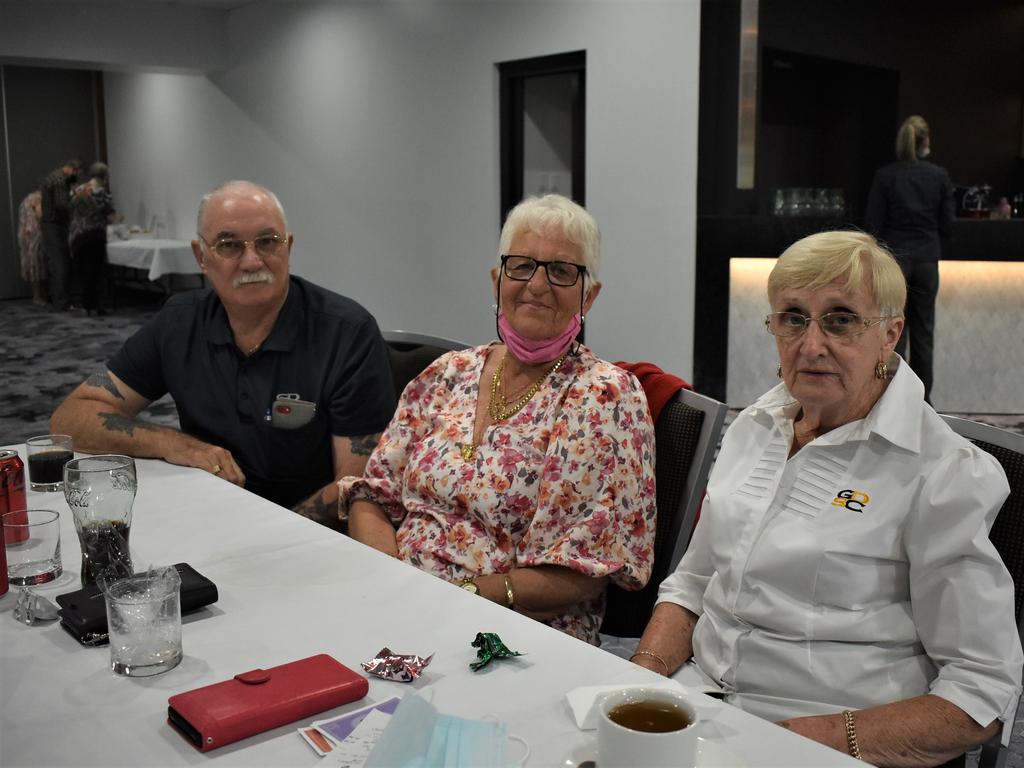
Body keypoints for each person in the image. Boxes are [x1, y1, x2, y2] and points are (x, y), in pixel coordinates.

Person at [632, 231, 1022, 767]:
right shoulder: (754, 427)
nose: (811, 345)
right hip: (702, 711)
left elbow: (982, 689)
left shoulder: (942, 471)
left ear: (890, 333)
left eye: (840, 320)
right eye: (793, 317)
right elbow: (696, 583)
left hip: (835, 741)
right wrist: (640, 678)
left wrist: (806, 739)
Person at [340, 194, 657, 644]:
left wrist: (453, 598)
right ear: (497, 281)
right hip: (399, 605)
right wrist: (394, 587)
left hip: (513, 632)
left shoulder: (605, 396)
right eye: (522, 266)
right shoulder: (447, 373)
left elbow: (584, 570)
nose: (538, 285)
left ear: (591, 295)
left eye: (563, 271)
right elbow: (374, 495)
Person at [51, 180, 396, 518]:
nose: (251, 261)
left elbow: (356, 486)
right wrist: (173, 443)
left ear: (288, 248)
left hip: (310, 531)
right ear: (201, 256)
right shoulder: (179, 322)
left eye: (267, 241)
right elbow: (70, 419)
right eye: (229, 245)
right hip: (212, 513)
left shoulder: (346, 333)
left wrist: (273, 531)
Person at [865, 115, 955, 404]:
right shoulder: (939, 176)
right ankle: (923, 403)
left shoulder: (886, 176)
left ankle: (893, 401)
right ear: (925, 142)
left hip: (896, 262)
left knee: (894, 335)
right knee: (924, 335)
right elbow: (948, 225)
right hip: (928, 260)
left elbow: (873, 224)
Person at [69, 162, 117, 316]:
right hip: (94, 236)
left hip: (76, 236)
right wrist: (119, 219)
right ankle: (95, 306)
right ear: (104, 177)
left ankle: (85, 305)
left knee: (82, 272)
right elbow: (111, 215)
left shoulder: (77, 190)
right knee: (95, 272)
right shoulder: (101, 193)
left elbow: (69, 209)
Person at [39, 159, 82, 311]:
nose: (76, 177)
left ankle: (59, 299)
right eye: (76, 173)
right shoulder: (58, 179)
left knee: (58, 263)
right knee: (60, 264)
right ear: (71, 169)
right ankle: (61, 302)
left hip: (53, 225)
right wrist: (77, 196)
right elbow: (61, 204)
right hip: (53, 225)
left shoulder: (55, 177)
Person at [17, 187, 45, 305]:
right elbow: (39, 215)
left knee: (32, 265)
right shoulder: (38, 198)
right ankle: (38, 297)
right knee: (38, 265)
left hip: (26, 236)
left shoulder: (25, 200)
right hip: (36, 235)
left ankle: (36, 296)